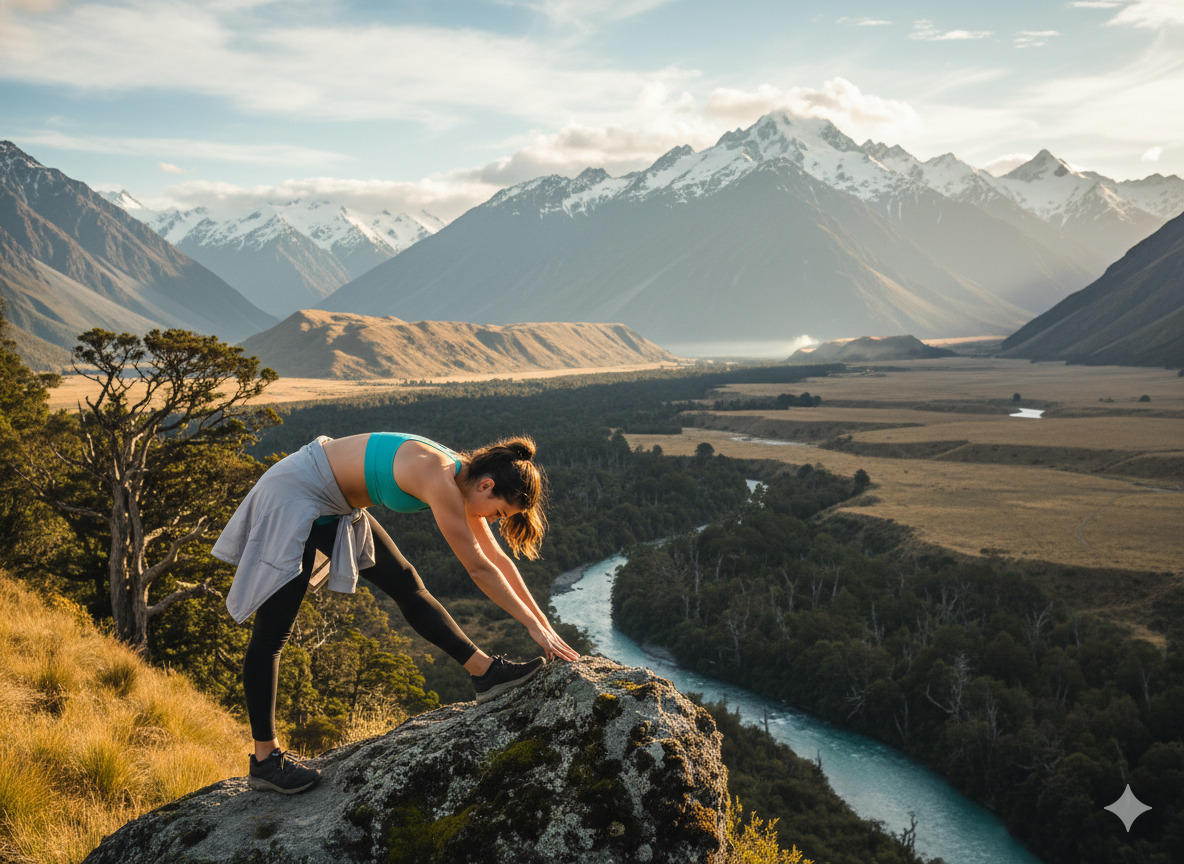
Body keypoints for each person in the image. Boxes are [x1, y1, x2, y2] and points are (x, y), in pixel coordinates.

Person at [212, 432, 579, 794]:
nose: (496, 520)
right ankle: (265, 761)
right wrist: (532, 626)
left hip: (334, 503)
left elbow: (497, 558)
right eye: (499, 513)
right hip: (294, 495)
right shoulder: (439, 476)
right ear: (487, 485)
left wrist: (543, 625)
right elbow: (479, 568)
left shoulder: (465, 476)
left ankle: (485, 673)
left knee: (406, 583)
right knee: (272, 635)